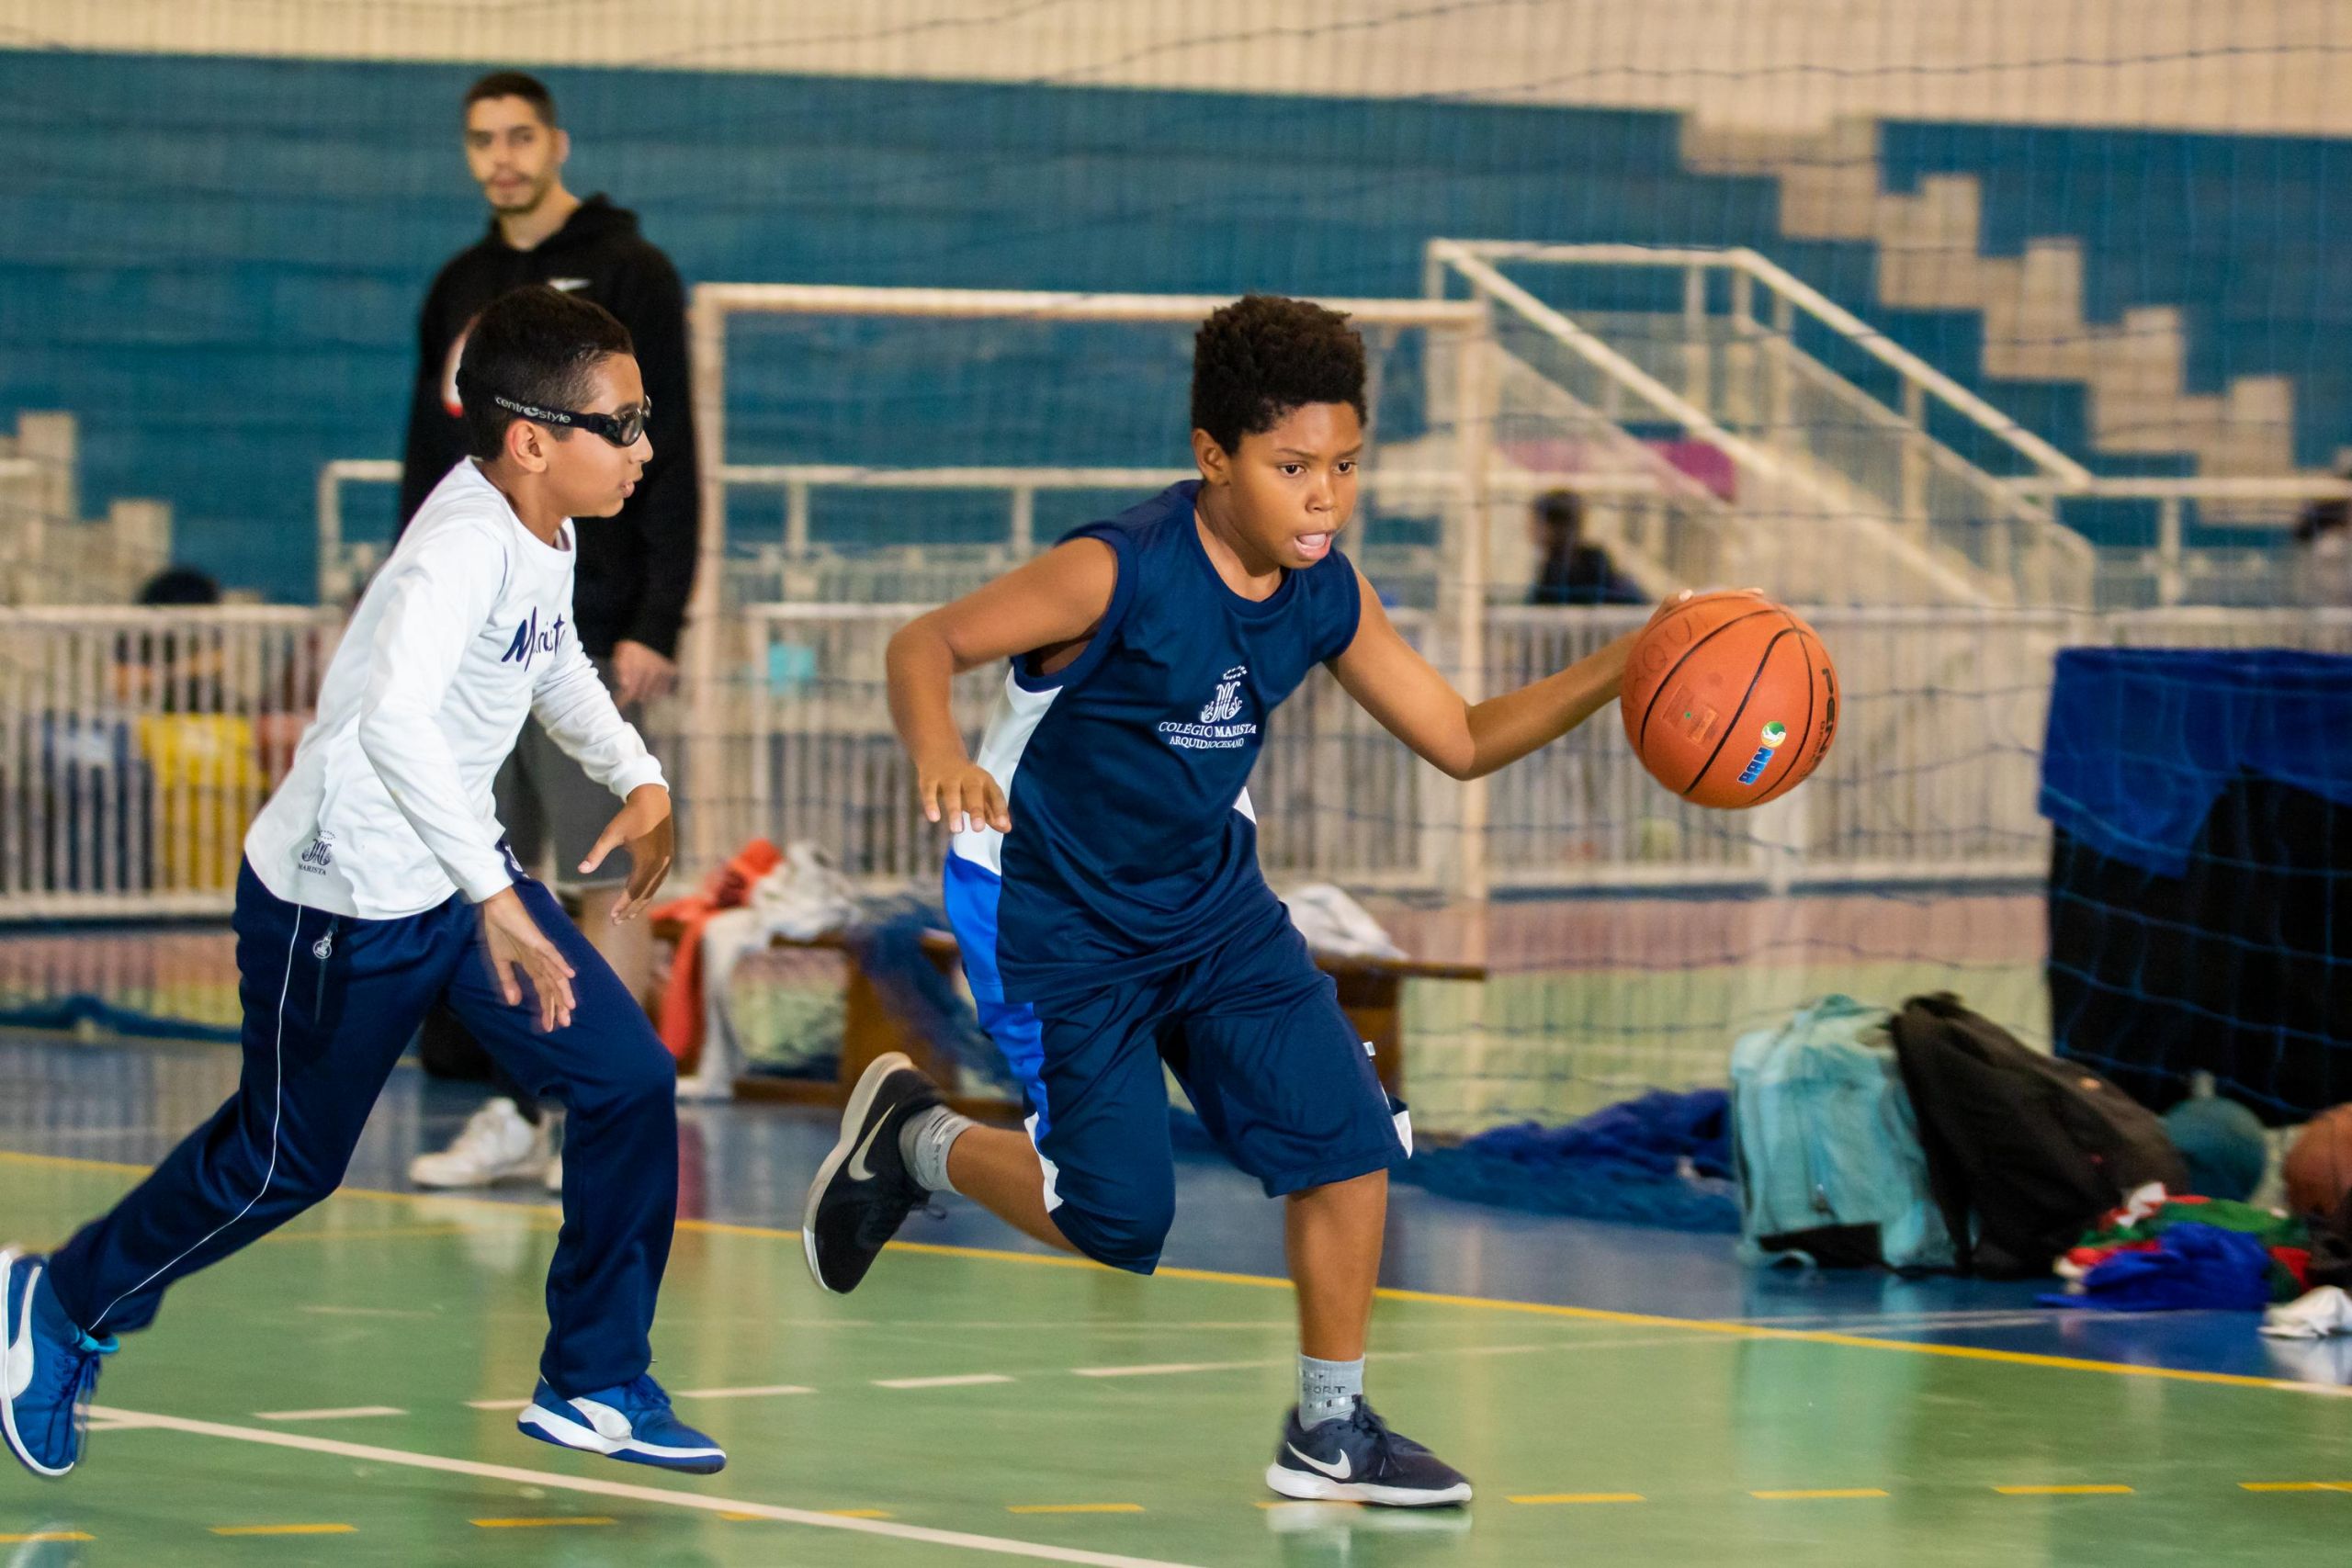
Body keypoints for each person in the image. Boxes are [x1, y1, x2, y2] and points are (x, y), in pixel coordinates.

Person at [801, 295, 1669, 1507]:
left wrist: (1628, 659)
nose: (1327, 495)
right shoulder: (1114, 570)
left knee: (1348, 1141)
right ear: (1214, 458)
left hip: (1210, 902)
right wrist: (940, 751)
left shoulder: (1324, 589)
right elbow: (923, 642)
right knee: (1114, 1214)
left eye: (1348, 464)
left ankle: (1331, 1428)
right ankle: (916, 1141)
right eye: (1294, 466)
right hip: (1053, 911)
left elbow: (1462, 738)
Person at [2, 286, 723, 1480]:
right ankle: (61, 1299)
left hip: (450, 884)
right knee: (282, 1162)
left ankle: (593, 1378)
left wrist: (635, 772)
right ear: (535, 439)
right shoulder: (454, 552)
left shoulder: (545, 525)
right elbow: (391, 722)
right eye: (627, 422)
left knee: (627, 1077)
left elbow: (550, 666)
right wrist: (495, 890)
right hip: (334, 903)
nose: (648, 447)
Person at [399, 71, 699, 1193]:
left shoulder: (630, 272)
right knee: (496, 869)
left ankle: (599, 1117)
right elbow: (427, 459)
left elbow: (668, 452)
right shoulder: (461, 286)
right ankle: (522, 1107)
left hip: (594, 624)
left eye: (520, 136)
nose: (501, 158)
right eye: (481, 139)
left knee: (602, 867)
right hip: (475, 641)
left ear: (556, 142)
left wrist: (656, 616)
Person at [1527, 488, 1645, 606]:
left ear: (1553, 527)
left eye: (1534, 522)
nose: (1529, 528)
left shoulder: (1562, 570)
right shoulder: (1592, 559)